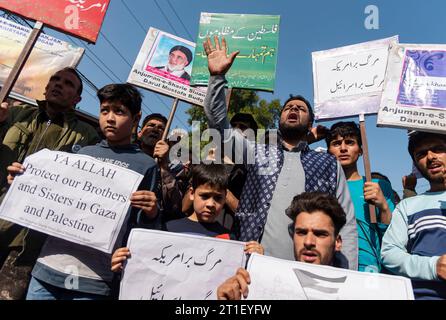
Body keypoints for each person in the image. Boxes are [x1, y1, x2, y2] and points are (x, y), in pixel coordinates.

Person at [201, 35, 358, 269]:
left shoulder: (328, 163)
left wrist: (346, 278)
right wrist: (216, 78)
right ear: (280, 117)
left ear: (310, 123)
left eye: (301, 108)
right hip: (251, 266)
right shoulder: (255, 151)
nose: (293, 109)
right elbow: (218, 125)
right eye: (288, 107)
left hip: (311, 273)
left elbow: (346, 222)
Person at [9, 83, 160, 300]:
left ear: (136, 119)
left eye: (119, 112)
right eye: (104, 110)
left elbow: (141, 229)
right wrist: (24, 181)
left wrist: (152, 211)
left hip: (94, 279)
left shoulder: (145, 165)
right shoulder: (82, 153)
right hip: (47, 267)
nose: (110, 118)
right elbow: (52, 195)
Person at [0, 67, 100, 300]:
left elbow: (82, 186)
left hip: (27, 241)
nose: (58, 84)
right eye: (55, 79)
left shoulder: (87, 136)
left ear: (77, 99)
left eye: (67, 83)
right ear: (45, 87)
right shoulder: (14, 114)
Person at [111, 163, 263, 273]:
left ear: (225, 199)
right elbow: (146, 266)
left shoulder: (231, 240)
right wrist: (125, 260)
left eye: (218, 198)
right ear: (191, 193)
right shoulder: (167, 229)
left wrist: (255, 260)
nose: (211, 204)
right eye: (204, 196)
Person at [217, 192, 346, 300]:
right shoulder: (258, 286)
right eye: (301, 232)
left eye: (320, 234)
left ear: (337, 242)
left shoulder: (355, 292)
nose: (308, 242)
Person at [381, 131, 446, 300]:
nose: (430, 157)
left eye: (438, 149)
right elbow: (389, 253)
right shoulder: (407, 206)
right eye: (421, 154)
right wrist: (432, 267)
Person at [325, 122, 394, 273]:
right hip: (329, 267)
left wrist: (383, 206)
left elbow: (392, 235)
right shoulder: (322, 187)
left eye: (350, 142)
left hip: (369, 269)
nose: (343, 148)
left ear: (361, 150)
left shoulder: (377, 185)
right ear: (328, 151)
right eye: (336, 143)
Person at [138, 113, 183, 221]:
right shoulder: (127, 155)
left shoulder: (173, 168)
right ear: (139, 133)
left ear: (166, 139)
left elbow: (175, 205)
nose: (155, 129)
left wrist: (164, 166)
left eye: (161, 128)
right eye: (150, 125)